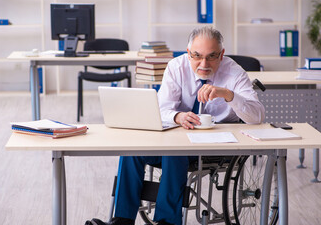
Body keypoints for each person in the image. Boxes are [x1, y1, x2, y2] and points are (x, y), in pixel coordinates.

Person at [85, 26, 265, 225]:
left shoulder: (235, 73)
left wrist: (228, 95)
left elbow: (257, 116)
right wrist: (178, 116)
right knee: (133, 149)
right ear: (188, 53)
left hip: (216, 147)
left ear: (221, 54)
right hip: (176, 139)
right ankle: (122, 220)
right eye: (197, 56)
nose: (204, 64)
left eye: (211, 56)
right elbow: (161, 109)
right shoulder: (176, 67)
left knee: (174, 150)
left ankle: (167, 222)